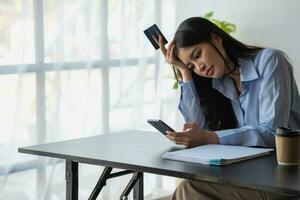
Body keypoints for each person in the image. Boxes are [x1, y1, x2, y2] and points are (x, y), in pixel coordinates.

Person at [158, 17, 300, 200]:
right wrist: (184, 73)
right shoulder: (219, 82)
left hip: (287, 175)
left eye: (197, 54)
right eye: (191, 66)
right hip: (251, 171)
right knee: (189, 184)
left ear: (216, 39)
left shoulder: (270, 61)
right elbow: (198, 127)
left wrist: (209, 137)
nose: (198, 67)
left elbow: (273, 132)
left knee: (189, 189)